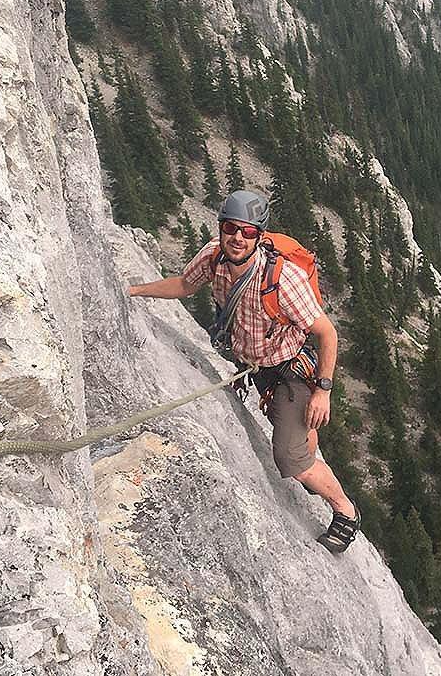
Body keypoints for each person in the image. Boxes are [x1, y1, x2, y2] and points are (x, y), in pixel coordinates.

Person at [129, 189, 361, 554]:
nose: (238, 237)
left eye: (248, 232)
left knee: (289, 458)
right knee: (298, 442)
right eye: (231, 228)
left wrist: (323, 390)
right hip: (260, 369)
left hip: (291, 372)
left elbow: (327, 332)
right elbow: (184, 285)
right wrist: (134, 290)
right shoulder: (214, 257)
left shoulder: (282, 281)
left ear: (259, 235)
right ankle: (306, 450)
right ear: (221, 228)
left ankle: (346, 512)